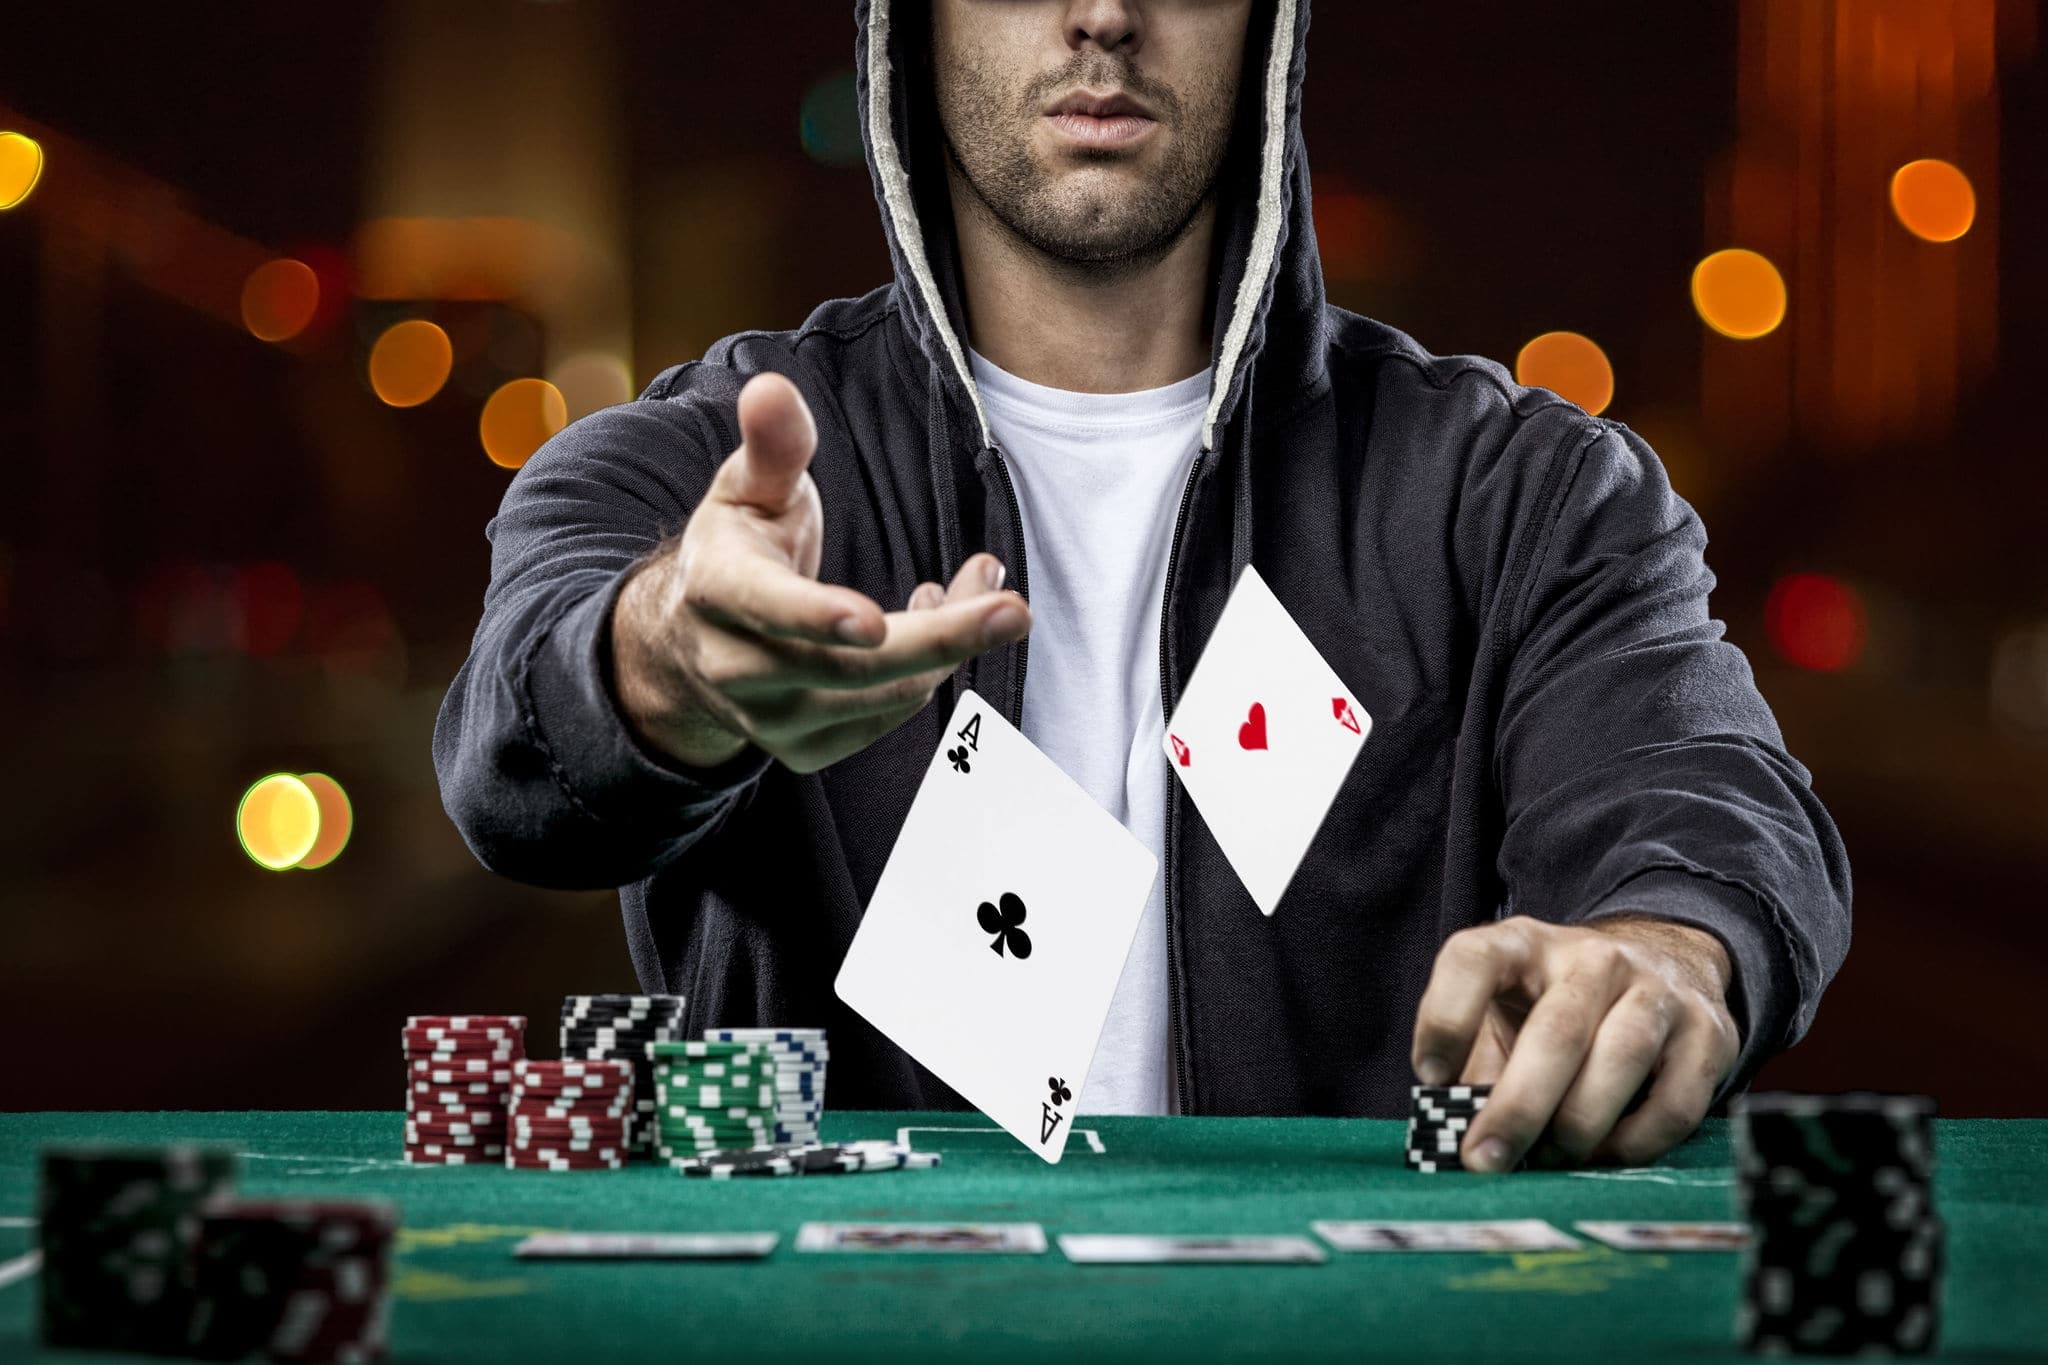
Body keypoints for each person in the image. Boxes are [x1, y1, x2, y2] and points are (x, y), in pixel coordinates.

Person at [434, 0, 1852, 1171]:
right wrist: (669, 657)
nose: (1102, 15)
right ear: (904, 28)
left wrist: (1666, 945)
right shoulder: (701, 462)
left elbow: (1701, 786)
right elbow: (511, 752)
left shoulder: (1521, 495)